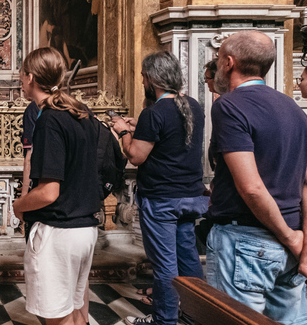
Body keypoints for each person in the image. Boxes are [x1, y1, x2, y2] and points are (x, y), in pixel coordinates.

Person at [205, 31, 307, 323]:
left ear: (228, 62)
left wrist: (288, 236)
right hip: (290, 241)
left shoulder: (229, 106)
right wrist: (300, 243)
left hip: (246, 239)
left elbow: (251, 188)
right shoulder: (294, 110)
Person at [112, 51, 207, 325]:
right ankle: (194, 317)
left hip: (162, 199)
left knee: (165, 265)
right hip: (190, 196)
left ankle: (164, 321)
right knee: (188, 261)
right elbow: (171, 138)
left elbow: (136, 156)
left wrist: (122, 130)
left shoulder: (154, 112)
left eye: (143, 77)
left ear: (152, 79)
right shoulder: (193, 106)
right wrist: (137, 126)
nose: (142, 81)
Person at [12, 47, 100, 325]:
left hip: (59, 233)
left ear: (30, 77)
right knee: (75, 313)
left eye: (22, 74)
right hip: (84, 228)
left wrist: (19, 205)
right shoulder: (80, 113)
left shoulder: (49, 119)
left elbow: (49, 191)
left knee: (57, 319)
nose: (20, 80)